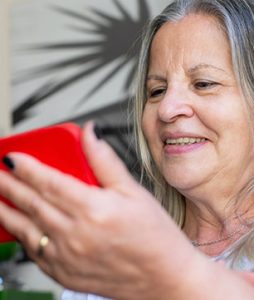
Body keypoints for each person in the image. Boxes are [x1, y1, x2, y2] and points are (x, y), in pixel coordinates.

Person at [1, 0, 254, 299]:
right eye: (156, 91)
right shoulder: (110, 260)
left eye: (204, 83)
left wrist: (168, 274)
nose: (167, 109)